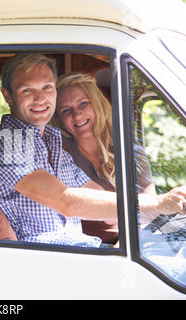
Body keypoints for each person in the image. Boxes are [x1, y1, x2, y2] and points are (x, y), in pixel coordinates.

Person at [0, 53, 186, 248]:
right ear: (7, 96)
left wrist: (173, 209)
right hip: (45, 267)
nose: (40, 98)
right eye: (27, 90)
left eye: (47, 87)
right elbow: (67, 202)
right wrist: (158, 203)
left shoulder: (53, 143)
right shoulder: (2, 144)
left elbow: (99, 195)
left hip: (80, 254)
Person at [51, 73, 155, 243]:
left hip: (136, 241)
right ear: (60, 119)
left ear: (97, 103)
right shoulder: (59, 152)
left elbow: (150, 208)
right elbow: (109, 216)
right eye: (66, 110)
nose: (77, 115)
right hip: (94, 249)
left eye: (83, 104)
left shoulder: (128, 145)